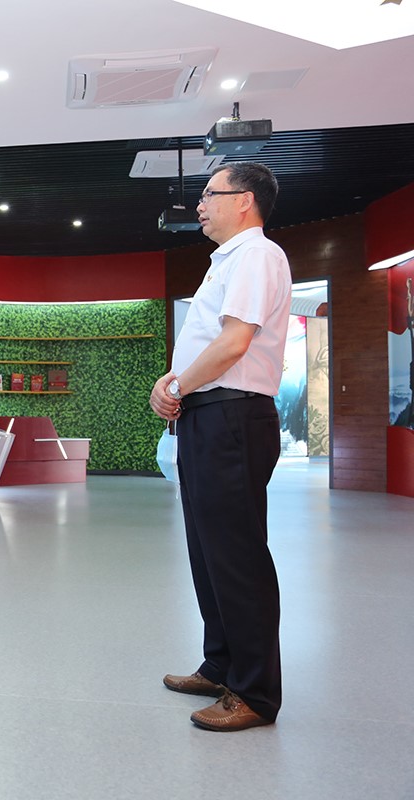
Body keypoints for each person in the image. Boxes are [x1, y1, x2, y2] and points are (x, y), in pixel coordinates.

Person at [149, 162, 292, 733]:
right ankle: (221, 666)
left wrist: (177, 385)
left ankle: (254, 692)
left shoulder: (257, 255)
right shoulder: (228, 261)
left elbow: (235, 343)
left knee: (236, 555)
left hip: (232, 415)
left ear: (245, 201)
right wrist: (174, 382)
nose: (200, 204)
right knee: (208, 552)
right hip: (208, 413)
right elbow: (213, 341)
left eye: (211, 194)